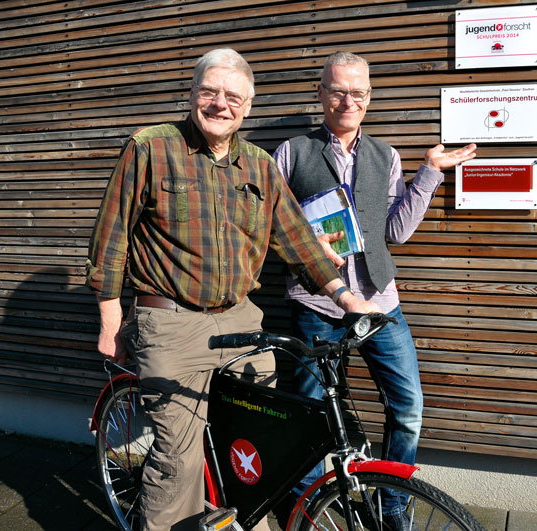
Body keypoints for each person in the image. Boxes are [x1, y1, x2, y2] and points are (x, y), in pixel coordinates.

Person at [85, 48, 378, 531]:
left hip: (241, 318)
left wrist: (347, 300)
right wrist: (111, 322)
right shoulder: (151, 148)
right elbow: (111, 236)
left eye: (233, 96)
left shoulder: (260, 166)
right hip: (171, 321)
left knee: (254, 442)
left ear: (249, 105)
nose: (221, 104)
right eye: (210, 92)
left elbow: (297, 241)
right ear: (192, 93)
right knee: (177, 460)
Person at [273, 51, 476, 530]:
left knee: (407, 407)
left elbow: (396, 231)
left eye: (358, 92)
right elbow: (272, 228)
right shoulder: (291, 152)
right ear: (320, 94)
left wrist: (430, 172)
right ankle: (302, 510)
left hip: (380, 303)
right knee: (311, 414)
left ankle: (393, 510)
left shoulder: (385, 155)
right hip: (316, 304)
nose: (348, 100)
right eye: (338, 90)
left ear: (369, 98)